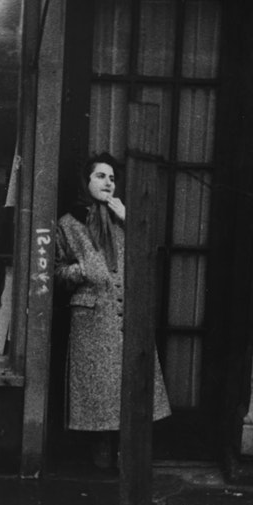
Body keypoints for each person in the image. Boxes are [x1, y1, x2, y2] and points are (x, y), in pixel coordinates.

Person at [54, 152, 171, 471]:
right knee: (99, 394)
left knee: (130, 387)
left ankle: (127, 455)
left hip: (127, 314)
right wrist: (82, 270)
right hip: (92, 318)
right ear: (86, 181)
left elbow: (150, 254)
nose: (108, 182)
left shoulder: (122, 218)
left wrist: (130, 219)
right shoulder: (68, 223)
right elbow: (56, 272)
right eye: (100, 176)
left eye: (112, 178)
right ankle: (101, 456)